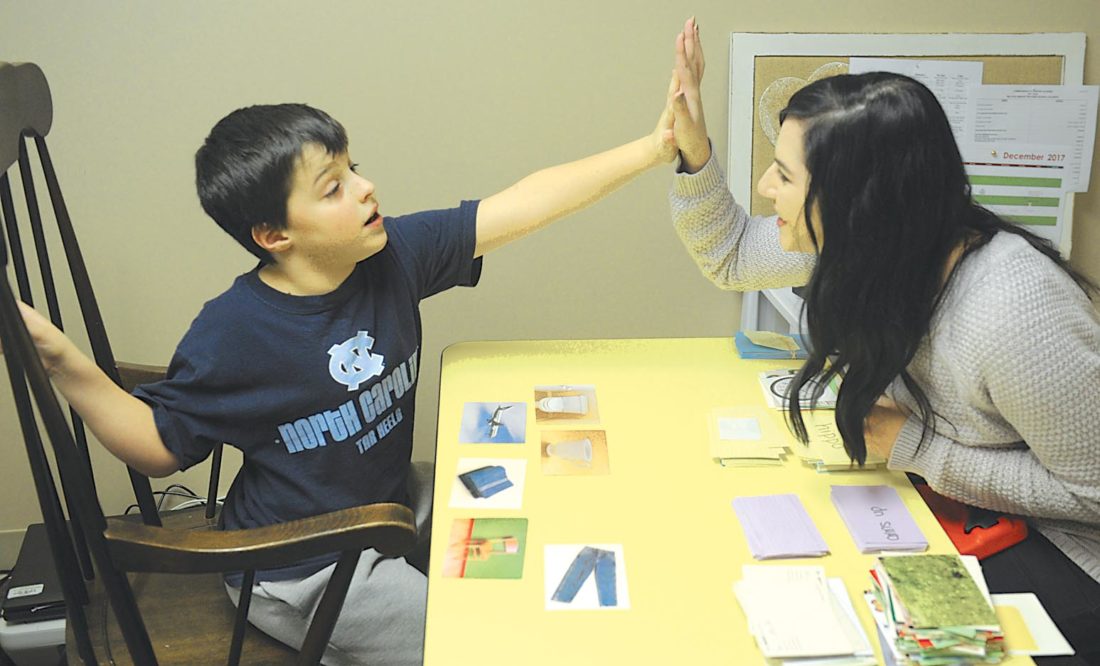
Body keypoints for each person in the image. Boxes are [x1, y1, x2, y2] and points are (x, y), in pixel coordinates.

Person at [12, 69, 679, 664]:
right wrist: (62, 359)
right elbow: (159, 447)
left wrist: (654, 148)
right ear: (275, 235)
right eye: (334, 187)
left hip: (386, 504)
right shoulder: (233, 333)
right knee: (488, 641)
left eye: (354, 168)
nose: (365, 188)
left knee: (541, 512)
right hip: (301, 565)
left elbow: (520, 205)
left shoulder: (389, 255)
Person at [667, 17, 1100, 663]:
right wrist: (693, 151)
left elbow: (1093, 494)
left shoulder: (1015, 311)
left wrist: (917, 447)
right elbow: (730, 253)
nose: (764, 188)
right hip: (950, 505)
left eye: (783, 175)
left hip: (1064, 556)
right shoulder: (871, 246)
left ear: (853, 202)